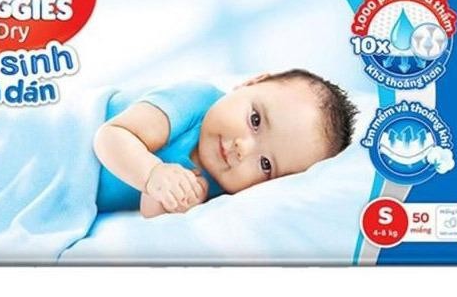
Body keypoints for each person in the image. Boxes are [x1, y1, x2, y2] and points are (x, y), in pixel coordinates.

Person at [93, 69, 356, 218]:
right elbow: (110, 135)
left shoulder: (223, 193)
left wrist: (173, 200)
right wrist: (152, 173)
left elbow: (149, 214)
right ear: (250, 83)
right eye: (255, 120)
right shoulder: (195, 101)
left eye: (265, 164)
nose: (244, 149)